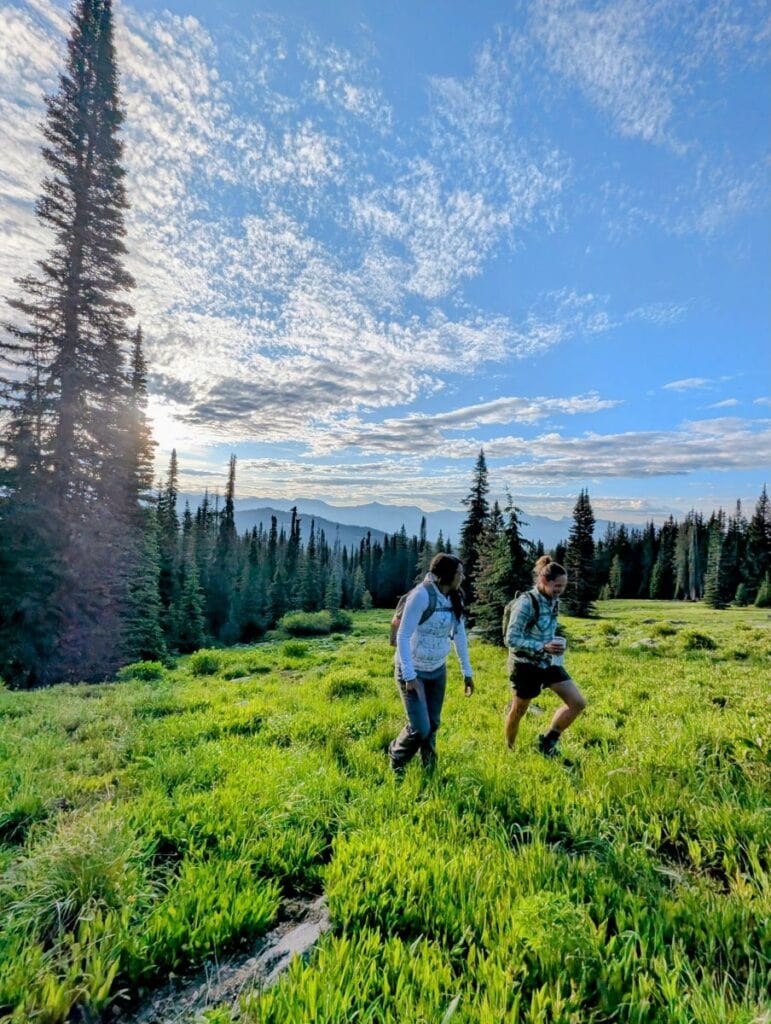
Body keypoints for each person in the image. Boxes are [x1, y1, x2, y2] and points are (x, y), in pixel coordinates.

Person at [388, 553, 474, 774]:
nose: (462, 577)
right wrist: (409, 676)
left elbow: (460, 636)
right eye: (459, 573)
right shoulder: (421, 596)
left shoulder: (454, 598)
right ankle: (396, 757)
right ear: (447, 575)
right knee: (420, 727)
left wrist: (467, 672)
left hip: (437, 669)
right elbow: (403, 636)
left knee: (433, 724)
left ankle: (429, 769)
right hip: (412, 670)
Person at [503, 555, 587, 758]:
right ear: (543, 581)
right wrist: (542, 646)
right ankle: (509, 749)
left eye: (563, 586)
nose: (561, 590)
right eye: (557, 586)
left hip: (548, 663)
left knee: (577, 703)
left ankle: (548, 741)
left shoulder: (553, 600)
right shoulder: (526, 603)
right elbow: (511, 639)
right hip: (525, 665)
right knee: (519, 710)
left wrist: (555, 646)